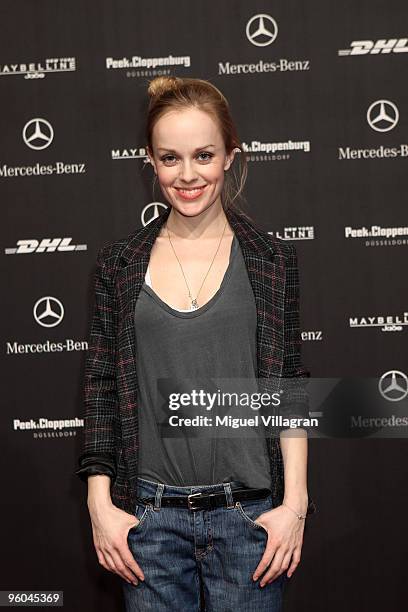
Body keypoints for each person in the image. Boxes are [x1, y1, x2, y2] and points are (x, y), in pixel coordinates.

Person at [75, 75, 316, 611]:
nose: (187, 175)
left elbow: (287, 384)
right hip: (150, 526)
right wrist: (100, 504)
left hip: (250, 522)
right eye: (170, 158)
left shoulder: (271, 260)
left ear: (231, 156)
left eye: (203, 155)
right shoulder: (119, 265)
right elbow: (102, 387)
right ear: (151, 162)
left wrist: (294, 502)